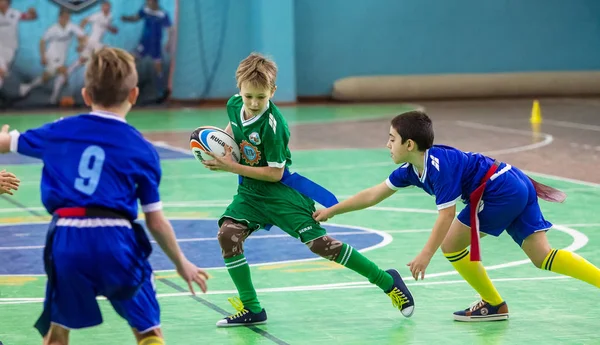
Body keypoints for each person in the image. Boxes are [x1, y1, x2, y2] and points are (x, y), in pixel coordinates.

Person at [0, 47, 208, 344]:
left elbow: (4, 142)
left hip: (66, 239)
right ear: (134, 95)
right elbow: (156, 222)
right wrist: (181, 262)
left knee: (57, 335)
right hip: (116, 239)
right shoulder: (142, 149)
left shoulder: (61, 129)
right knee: (149, 332)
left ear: (86, 95)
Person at [314, 110, 600, 321]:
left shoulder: (439, 167)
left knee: (451, 245)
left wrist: (426, 254)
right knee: (542, 257)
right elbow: (373, 194)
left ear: (409, 144)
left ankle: (493, 303)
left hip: (500, 190)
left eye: (392, 139)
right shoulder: (410, 171)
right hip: (514, 181)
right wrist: (331, 210)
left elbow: (446, 215)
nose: (388, 145)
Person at [201, 52, 414, 327]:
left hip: (281, 194)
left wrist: (233, 168)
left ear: (273, 91)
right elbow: (233, 129)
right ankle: (252, 308)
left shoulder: (274, 126)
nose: (254, 103)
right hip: (251, 193)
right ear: (239, 89)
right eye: (248, 96)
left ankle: (387, 280)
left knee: (321, 245)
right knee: (228, 235)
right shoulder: (233, 106)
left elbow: (275, 173)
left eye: (261, 97)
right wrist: (219, 147)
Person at [19, 8, 87, 104]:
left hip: (62, 57)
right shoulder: (53, 29)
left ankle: (28, 87)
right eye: (64, 17)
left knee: (49, 76)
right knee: (63, 72)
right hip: (51, 54)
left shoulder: (71, 26)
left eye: (68, 17)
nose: (66, 19)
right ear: (59, 17)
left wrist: (81, 45)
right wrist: (43, 56)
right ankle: (53, 98)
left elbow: (82, 36)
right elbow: (42, 42)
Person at [121, 0, 173, 99]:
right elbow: (136, 18)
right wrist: (127, 18)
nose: (147, 2)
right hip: (144, 43)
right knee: (132, 61)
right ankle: (126, 88)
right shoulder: (145, 10)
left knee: (158, 67)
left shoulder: (163, 14)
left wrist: (168, 42)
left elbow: (169, 29)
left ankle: (161, 91)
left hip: (155, 44)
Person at [0, 0, 37, 90]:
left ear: (8, 3)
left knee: (1, 72)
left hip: (10, 48)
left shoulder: (15, 13)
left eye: (2, 1)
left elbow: (31, 17)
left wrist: (33, 12)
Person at [71, 1, 118, 72]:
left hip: (95, 42)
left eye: (107, 6)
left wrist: (111, 29)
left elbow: (105, 25)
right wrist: (81, 36)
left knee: (82, 60)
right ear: (101, 7)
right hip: (92, 41)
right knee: (107, 53)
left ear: (109, 7)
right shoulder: (97, 16)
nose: (105, 8)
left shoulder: (110, 16)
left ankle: (64, 75)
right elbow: (84, 21)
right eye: (103, 6)